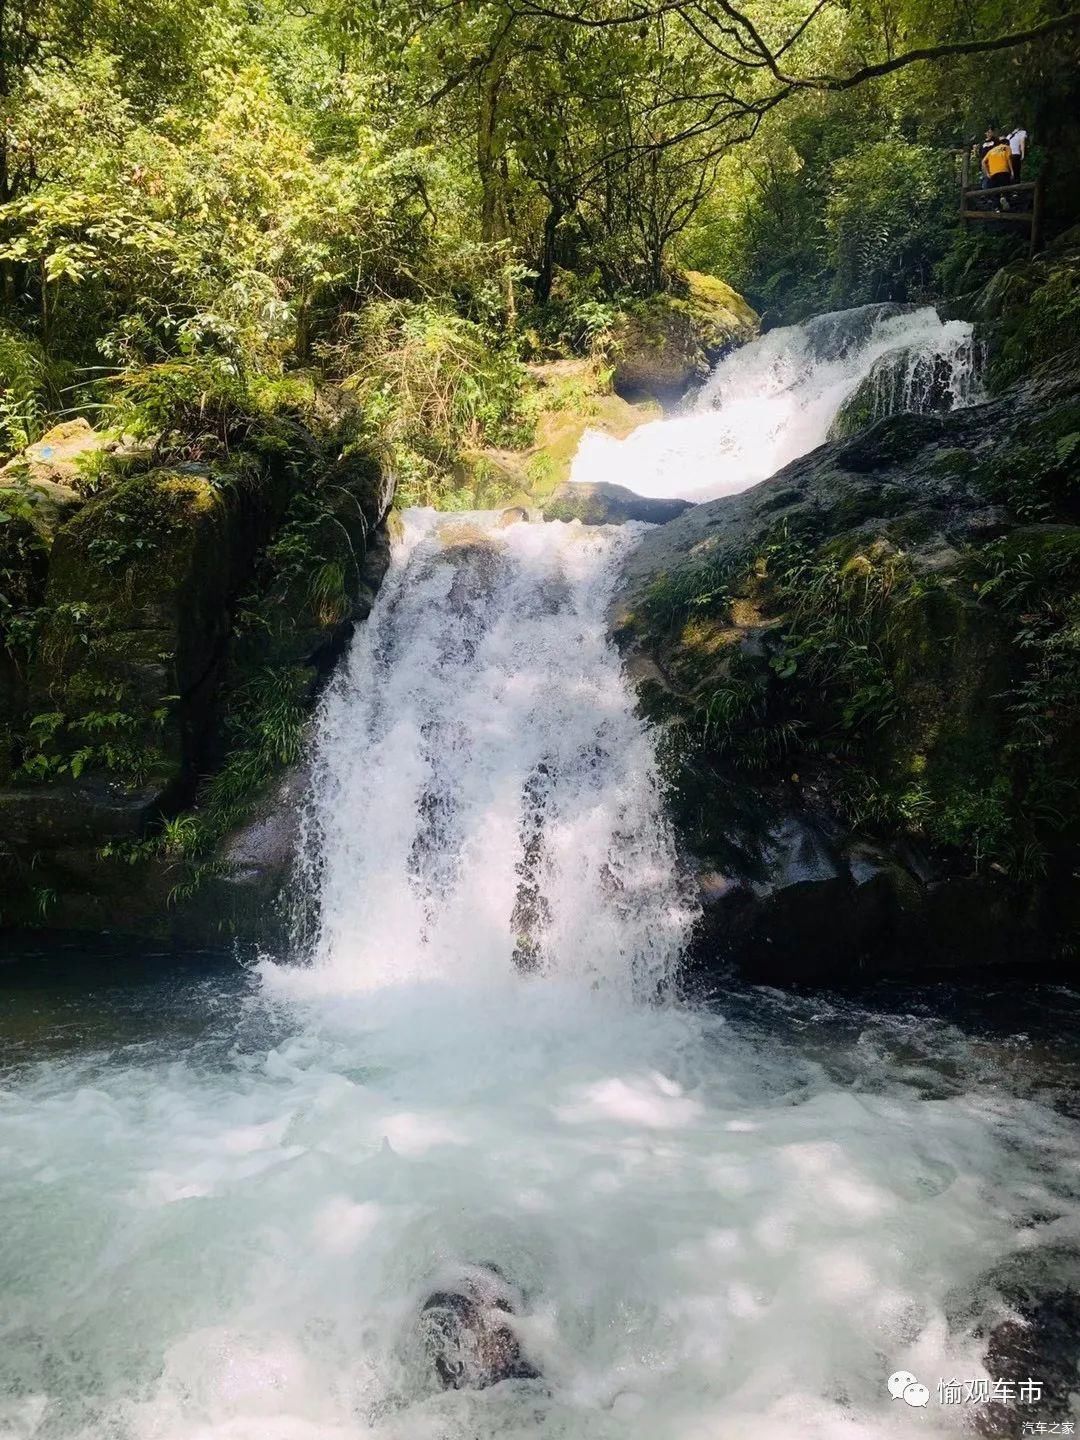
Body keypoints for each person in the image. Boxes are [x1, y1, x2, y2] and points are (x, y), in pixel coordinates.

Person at [981, 134, 1014, 207]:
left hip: (993, 173)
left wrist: (987, 173)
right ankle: (1005, 199)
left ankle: (997, 208)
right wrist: (1012, 171)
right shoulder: (1006, 147)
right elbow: (1009, 159)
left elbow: (983, 161)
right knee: (1006, 188)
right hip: (1004, 171)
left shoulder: (991, 151)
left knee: (995, 192)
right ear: (1006, 143)